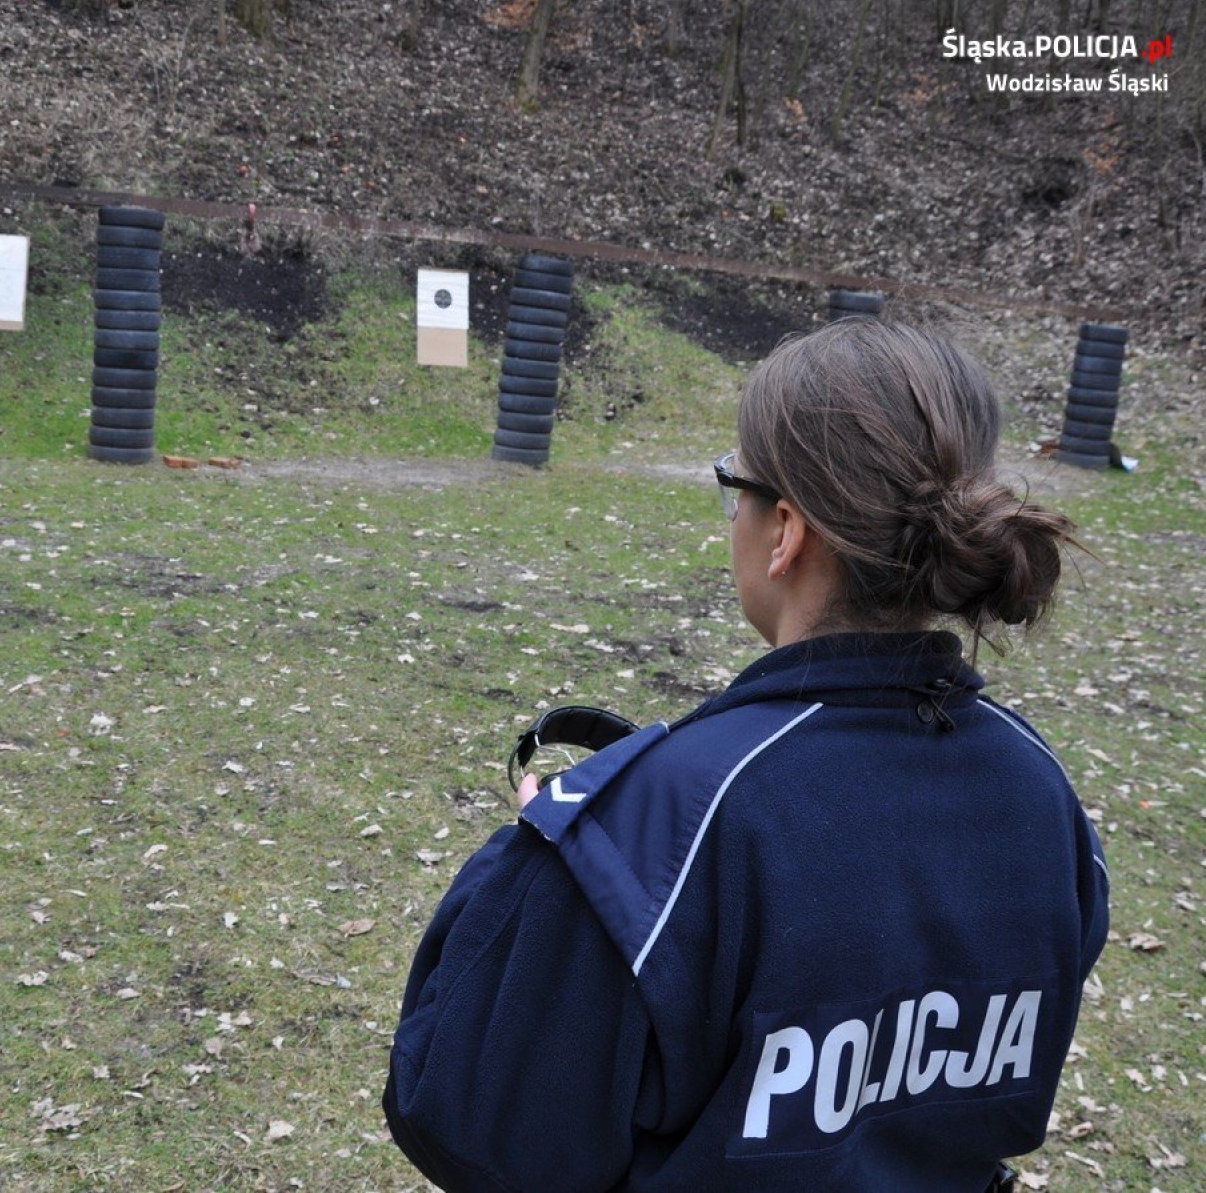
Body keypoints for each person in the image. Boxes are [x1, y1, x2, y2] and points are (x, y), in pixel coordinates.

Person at [383, 317, 1109, 1192]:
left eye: (738, 488)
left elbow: (469, 1122)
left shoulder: (662, 825)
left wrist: (543, 859)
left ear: (787, 532)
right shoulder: (1040, 786)